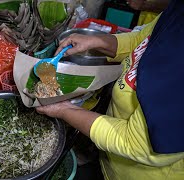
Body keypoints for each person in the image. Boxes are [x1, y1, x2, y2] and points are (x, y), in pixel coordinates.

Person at [36, 0, 184, 179]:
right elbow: (142, 40)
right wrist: (97, 41)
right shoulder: (179, 11)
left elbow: (137, 145)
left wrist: (64, 109)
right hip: (110, 155)